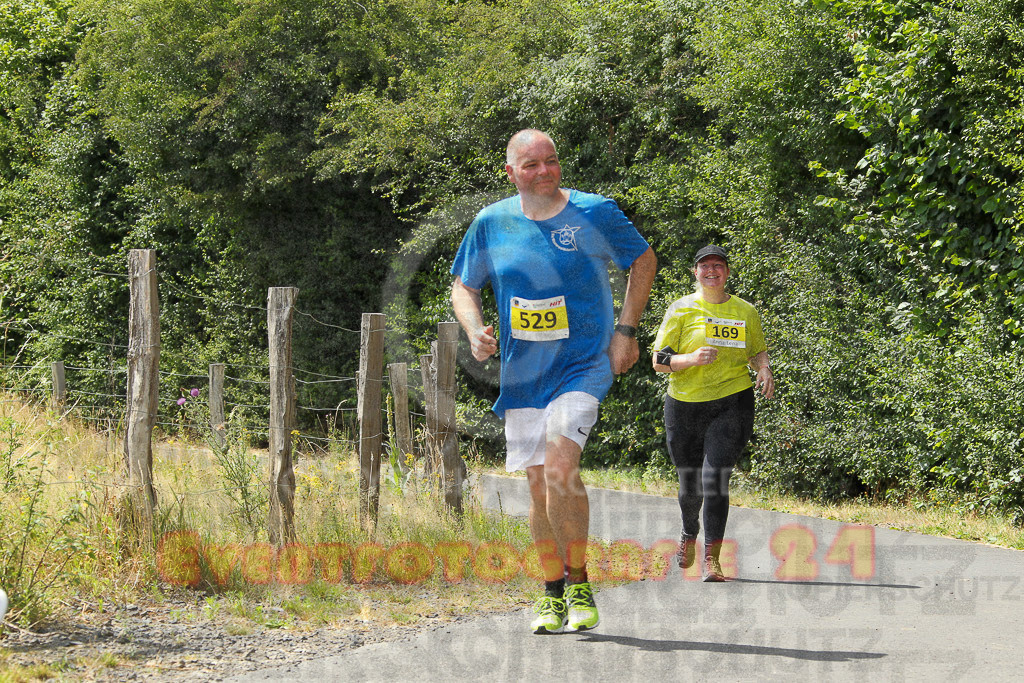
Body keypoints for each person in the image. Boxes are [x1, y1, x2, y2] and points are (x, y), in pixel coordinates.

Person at [451, 129, 656, 633]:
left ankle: (580, 580)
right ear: (511, 173)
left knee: (562, 464)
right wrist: (475, 329)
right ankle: (551, 592)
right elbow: (463, 285)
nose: (544, 172)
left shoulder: (594, 212)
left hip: (584, 363)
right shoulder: (491, 222)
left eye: (552, 161)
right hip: (525, 373)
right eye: (531, 165)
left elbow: (642, 259)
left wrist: (626, 332)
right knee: (539, 481)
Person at [652, 245, 774, 581]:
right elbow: (659, 362)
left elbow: (757, 350)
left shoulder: (745, 311)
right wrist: (690, 359)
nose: (711, 271)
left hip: (732, 401)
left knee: (716, 478)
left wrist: (764, 368)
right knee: (690, 485)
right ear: (695, 272)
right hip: (685, 405)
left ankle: (712, 559)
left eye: (718, 266)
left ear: (727, 273)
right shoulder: (680, 310)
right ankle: (689, 532)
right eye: (704, 266)